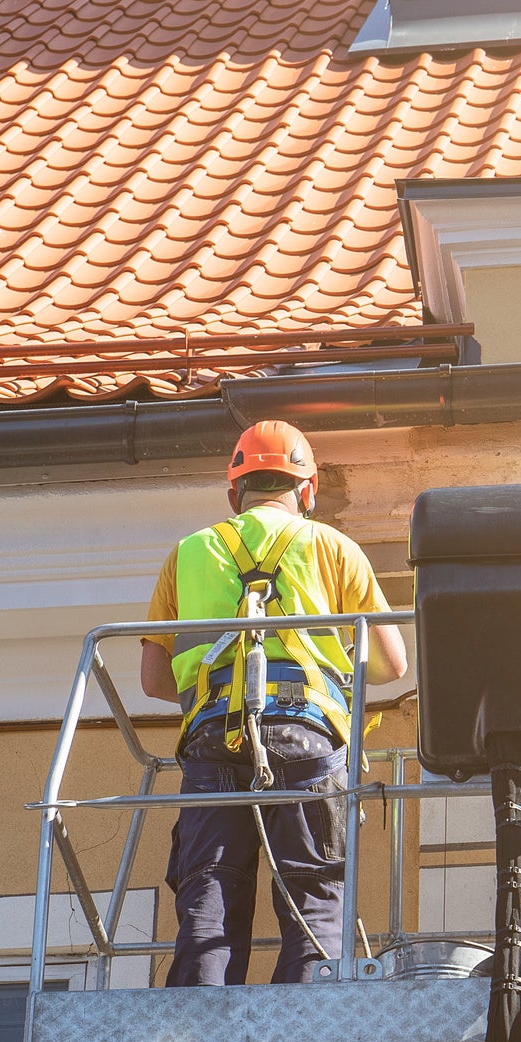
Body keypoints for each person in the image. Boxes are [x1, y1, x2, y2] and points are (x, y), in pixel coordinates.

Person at [140, 419, 407, 986]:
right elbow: (391, 665)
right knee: (313, 890)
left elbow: (155, 680)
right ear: (306, 491)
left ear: (234, 493)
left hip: (215, 738)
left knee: (209, 889)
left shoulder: (189, 552)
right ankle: (306, 1016)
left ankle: (197, 1024)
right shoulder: (335, 547)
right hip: (307, 738)